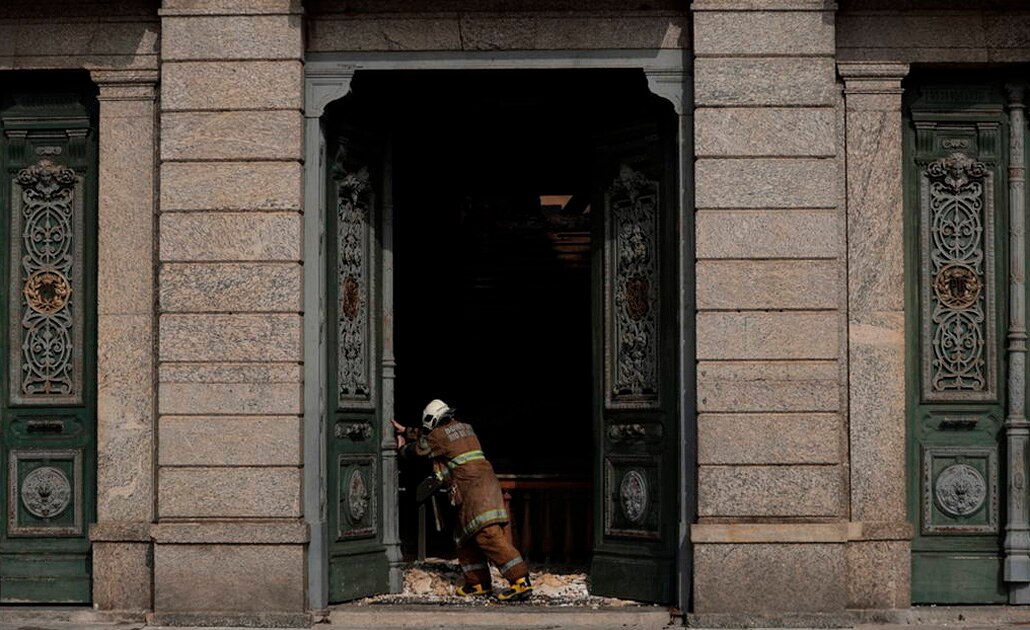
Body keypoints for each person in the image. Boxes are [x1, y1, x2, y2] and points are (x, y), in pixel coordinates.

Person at [391, 399, 533, 601]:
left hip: (475, 492)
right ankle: (478, 583)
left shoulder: (438, 436)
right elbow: (432, 437)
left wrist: (401, 448)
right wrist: (406, 430)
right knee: (464, 538)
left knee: (488, 535)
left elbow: (420, 449)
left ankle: (520, 580)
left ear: (432, 420)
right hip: (481, 488)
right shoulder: (465, 428)